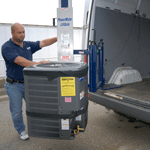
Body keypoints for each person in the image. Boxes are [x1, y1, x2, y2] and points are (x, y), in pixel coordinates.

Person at [1, 23, 57, 140]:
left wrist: (59, 38)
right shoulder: (6, 47)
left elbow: (43, 43)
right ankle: (21, 130)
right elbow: (19, 60)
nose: (22, 35)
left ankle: (39, 127)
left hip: (28, 83)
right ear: (12, 33)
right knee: (17, 111)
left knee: (36, 107)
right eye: (19, 32)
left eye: (23, 32)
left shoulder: (27, 45)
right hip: (14, 85)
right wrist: (38, 64)